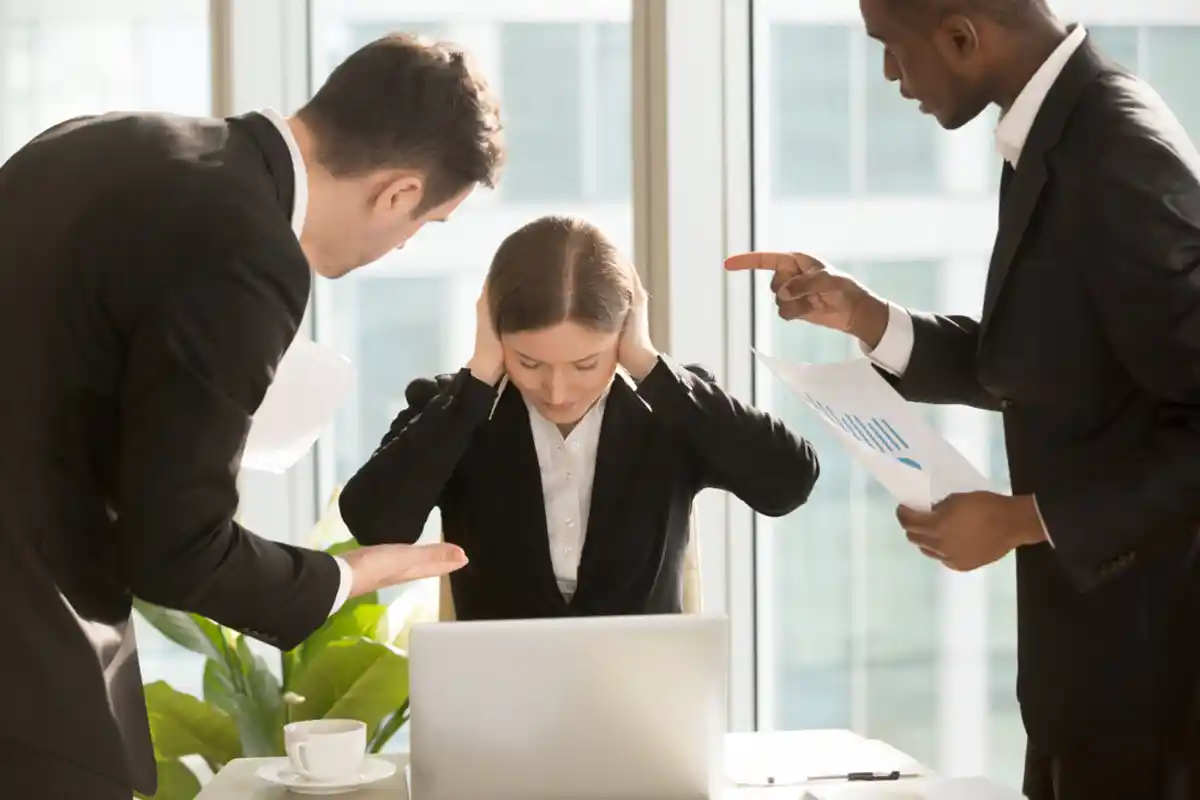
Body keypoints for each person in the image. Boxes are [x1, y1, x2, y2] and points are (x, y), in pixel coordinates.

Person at [0, 33, 503, 798]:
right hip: (26, 652)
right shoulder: (247, 250)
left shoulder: (95, 140)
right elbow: (174, 548)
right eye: (423, 226)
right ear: (398, 193)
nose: (403, 246)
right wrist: (344, 577)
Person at [727, 1, 1200, 797]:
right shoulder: (1059, 130)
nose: (887, 73)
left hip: (1151, 695)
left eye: (891, 48)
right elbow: (1066, 358)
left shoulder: (1114, 152)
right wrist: (869, 318)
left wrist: (1022, 518)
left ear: (959, 37)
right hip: (1087, 682)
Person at [338, 214, 819, 620]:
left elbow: (787, 483)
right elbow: (376, 526)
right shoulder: (454, 409)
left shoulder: (671, 408)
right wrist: (477, 380)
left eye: (586, 364)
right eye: (530, 363)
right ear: (494, 332)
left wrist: (649, 365)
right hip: (499, 708)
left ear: (624, 333)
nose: (557, 390)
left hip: (642, 704)